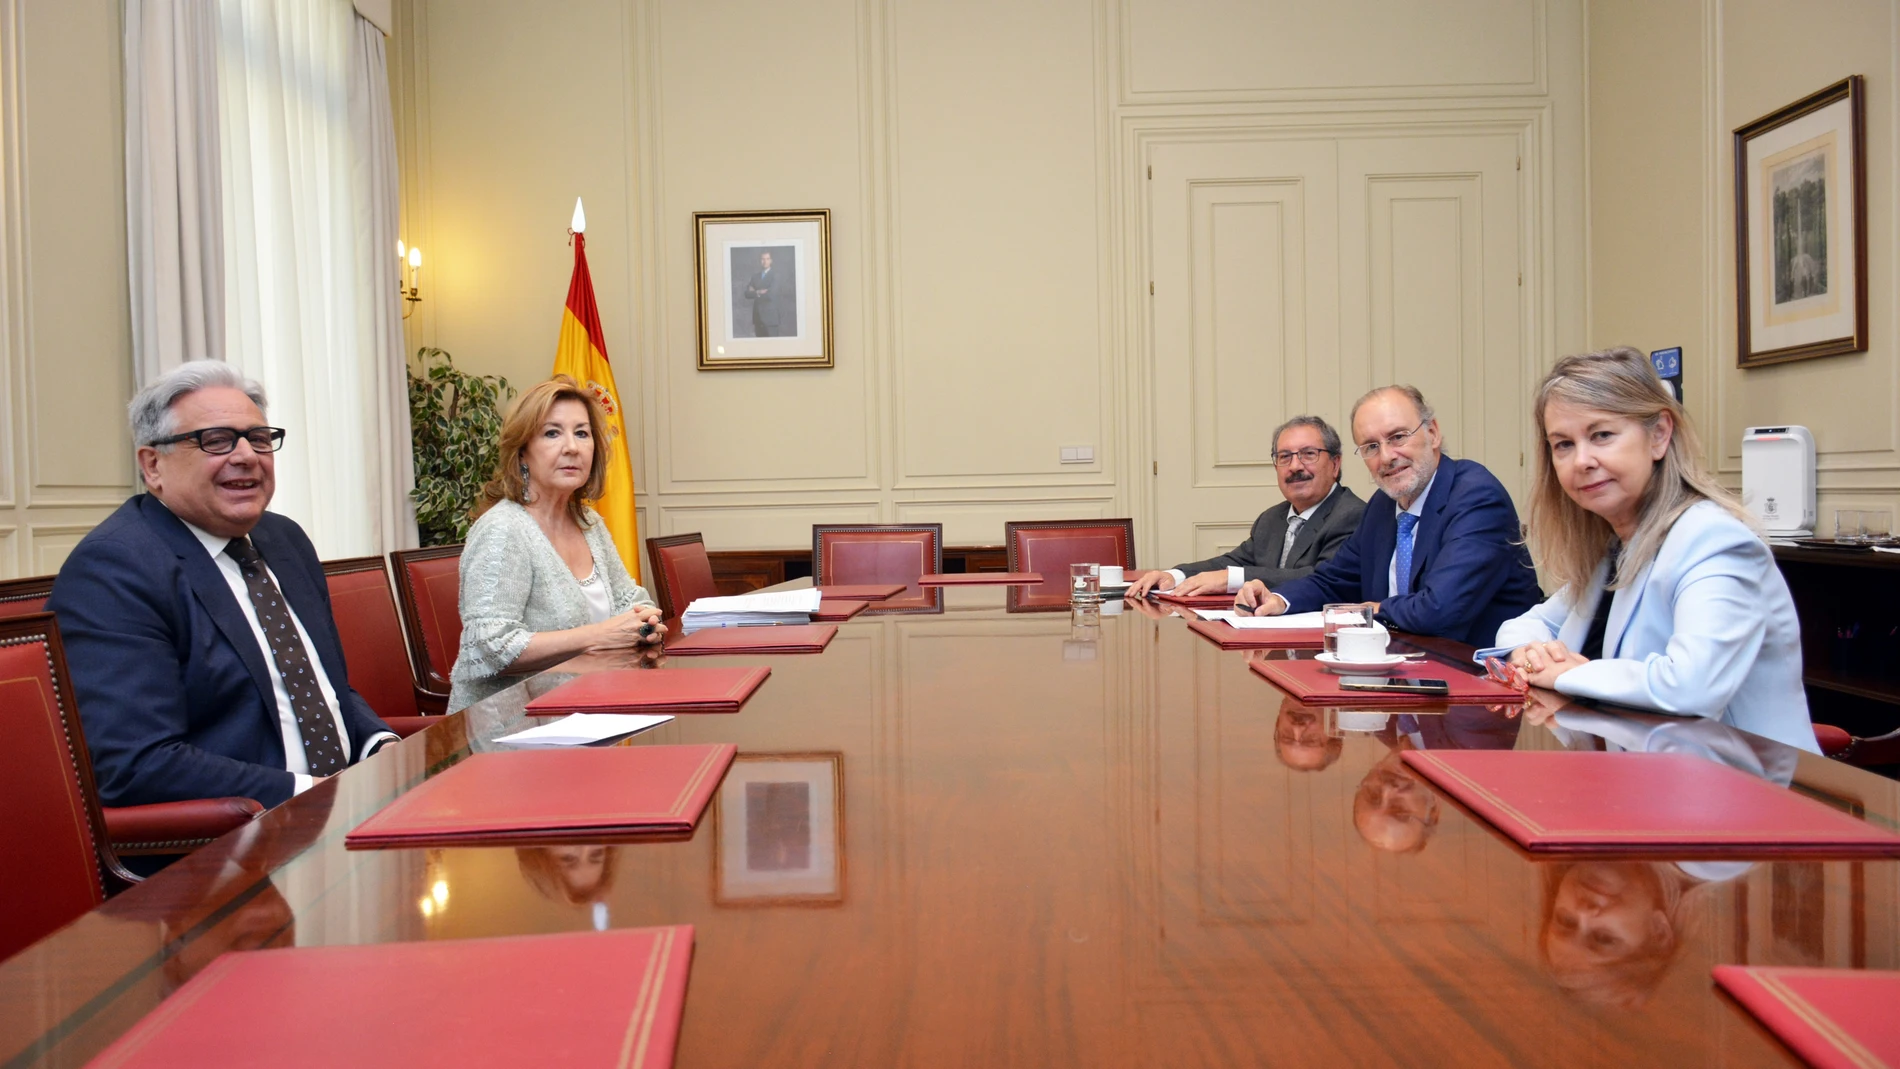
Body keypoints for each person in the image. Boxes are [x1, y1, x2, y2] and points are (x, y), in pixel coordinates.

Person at [47, 361, 397, 809]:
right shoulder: (114, 569)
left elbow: (321, 687)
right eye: (215, 441)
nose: (247, 456)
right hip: (233, 844)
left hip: (349, 808)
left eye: (258, 438)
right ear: (153, 465)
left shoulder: (282, 538)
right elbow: (135, 764)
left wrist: (381, 747)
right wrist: (319, 797)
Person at [1486, 347, 1815, 751]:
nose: (1581, 460)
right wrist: (1530, 653)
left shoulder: (1714, 540)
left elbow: (1692, 687)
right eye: (1563, 444)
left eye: (1601, 435)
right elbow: (1525, 626)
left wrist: (1564, 674)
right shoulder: (1615, 546)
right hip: (1640, 778)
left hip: (1746, 792)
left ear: (1659, 434)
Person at [1235, 385, 1542, 645]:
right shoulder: (1382, 507)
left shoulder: (1476, 496)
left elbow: (1440, 608)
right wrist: (1278, 600)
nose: (1386, 457)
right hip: (1401, 668)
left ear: (1432, 433)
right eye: (1370, 446)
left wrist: (1372, 609)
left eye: (1397, 437)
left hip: (1480, 681)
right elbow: (1334, 581)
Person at [449, 376, 664, 711]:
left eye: (582, 433)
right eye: (552, 433)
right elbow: (489, 646)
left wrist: (645, 623)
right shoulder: (503, 530)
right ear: (522, 452)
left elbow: (629, 599)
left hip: (588, 709)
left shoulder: (589, 523)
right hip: (507, 732)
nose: (572, 447)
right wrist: (598, 635)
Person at [1126, 415, 1364, 598]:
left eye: (1308, 454)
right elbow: (1232, 562)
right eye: (1284, 457)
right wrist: (1174, 575)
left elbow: (1319, 578)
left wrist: (1231, 578)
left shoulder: (1351, 515)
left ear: (1335, 463)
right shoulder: (1272, 518)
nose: (1295, 466)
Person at [744, 250, 780, 337]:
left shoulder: (776, 276)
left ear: (771, 260)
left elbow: (771, 295)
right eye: (762, 259)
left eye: (767, 259)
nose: (765, 261)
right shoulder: (755, 276)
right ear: (760, 261)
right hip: (757, 318)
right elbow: (747, 294)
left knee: (772, 347)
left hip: (770, 319)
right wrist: (759, 292)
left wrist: (755, 292)